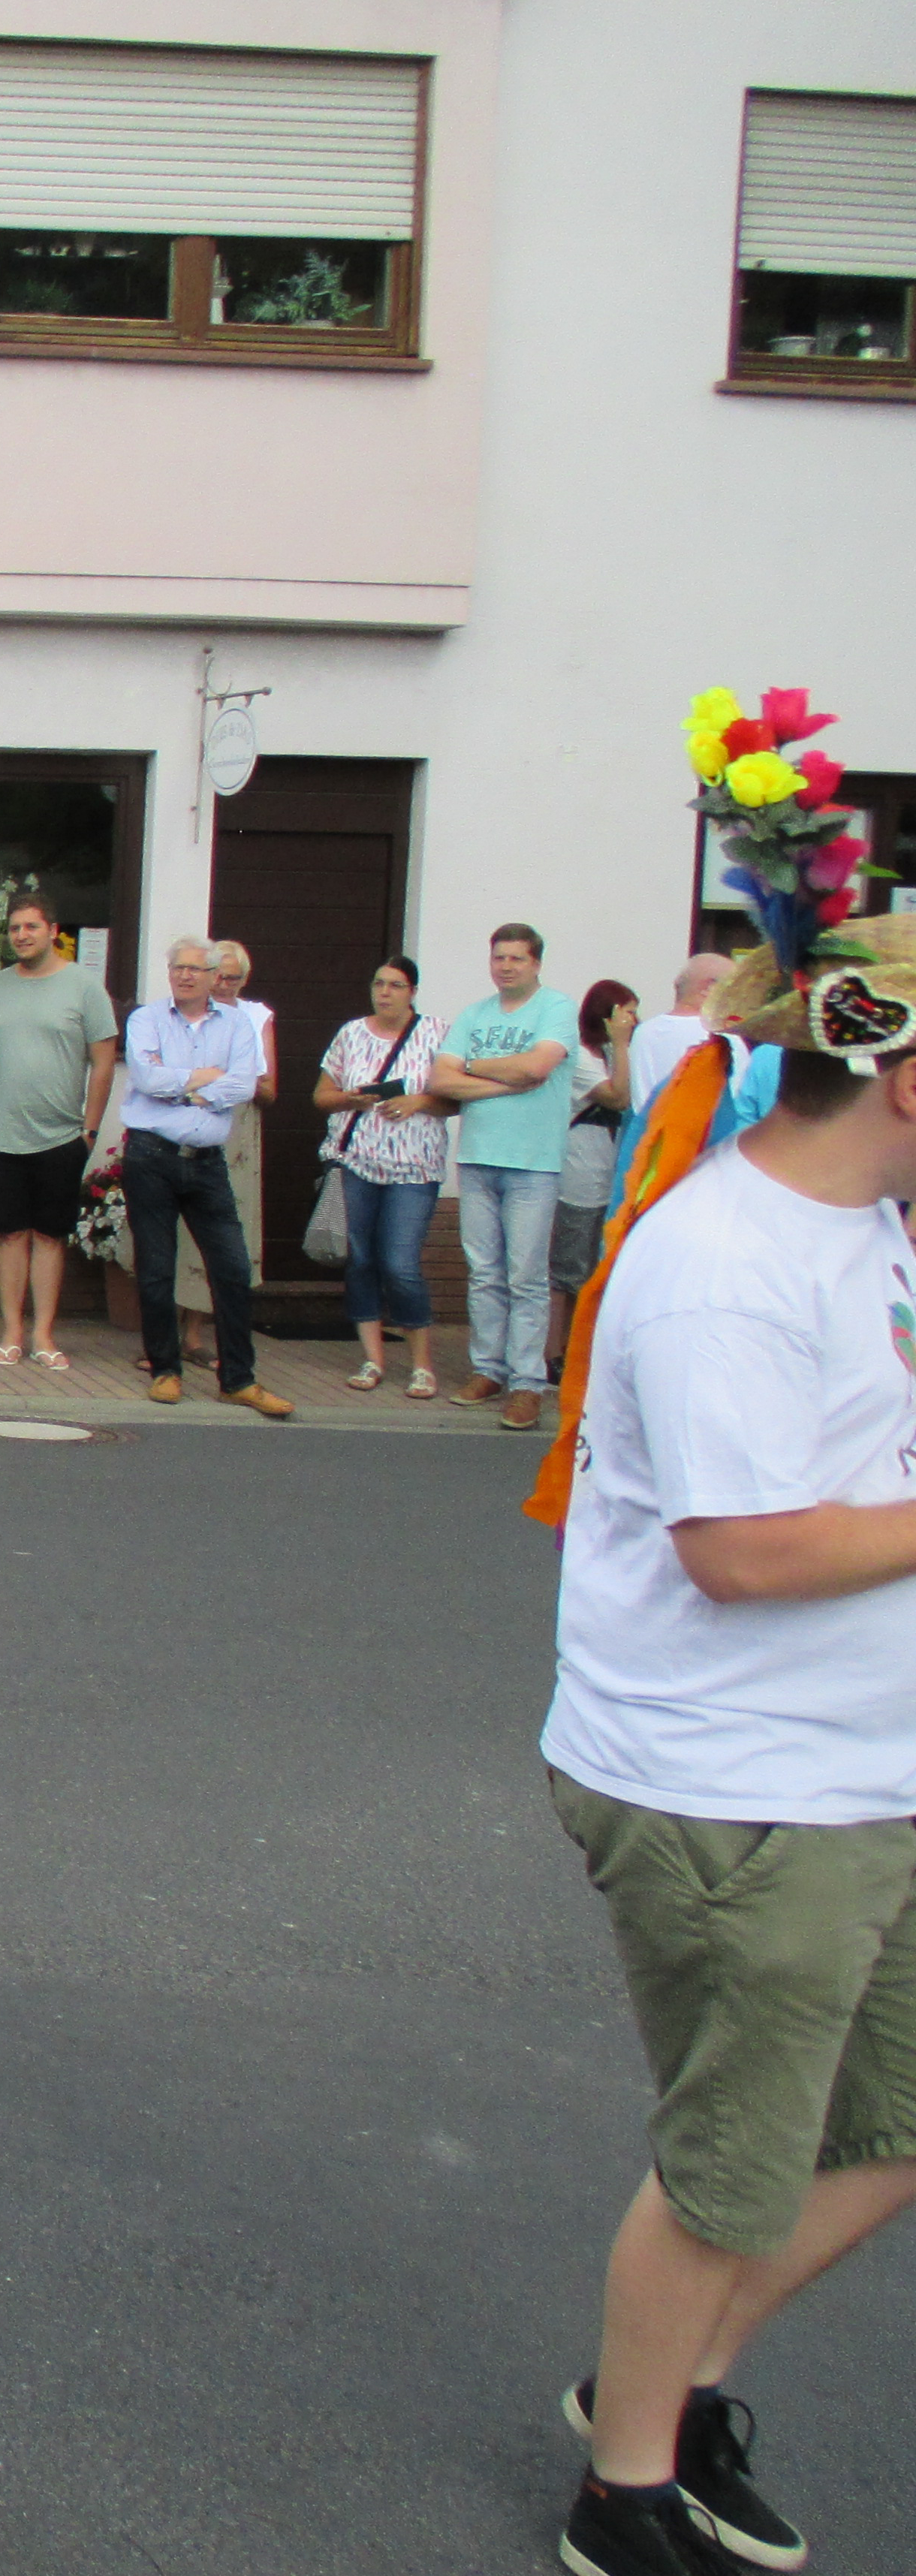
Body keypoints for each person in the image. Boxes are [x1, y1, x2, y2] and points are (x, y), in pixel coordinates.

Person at [532, 919, 916, 2576]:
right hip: (735, 1786)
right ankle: (623, 2492)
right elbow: (742, 1551)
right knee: (730, 2171)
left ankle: (662, 2385)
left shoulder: (868, 1228)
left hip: (858, 1768)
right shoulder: (723, 1266)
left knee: (884, 2135)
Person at [121, 939, 295, 1417]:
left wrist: (188, 1089)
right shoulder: (146, 1020)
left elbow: (245, 1085)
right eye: (177, 967)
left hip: (207, 1161)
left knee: (233, 1270)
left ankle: (238, 1380)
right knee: (157, 1269)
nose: (185, 976)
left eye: (196, 969)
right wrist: (206, 1077)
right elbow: (146, 1079)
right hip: (151, 1157)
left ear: (214, 975)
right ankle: (165, 1370)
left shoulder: (239, 1023)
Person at [433, 922, 583, 1431]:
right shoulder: (474, 1014)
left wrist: (474, 1071)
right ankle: (488, 1370)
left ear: (536, 963)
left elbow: (538, 1069)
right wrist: (504, 1079)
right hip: (477, 1157)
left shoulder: (557, 1009)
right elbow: (440, 1078)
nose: (506, 966)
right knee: (485, 1274)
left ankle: (527, 1383)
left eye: (517, 958)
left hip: (533, 1163)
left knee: (526, 1277)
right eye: (499, 958)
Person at [0, 890, 119, 1371]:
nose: (21, 936)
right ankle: (12, 1331)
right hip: (4, 1134)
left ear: (53, 931)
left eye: (31, 927)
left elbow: (103, 1062)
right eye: (15, 928)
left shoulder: (84, 986)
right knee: (11, 1235)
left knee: (50, 1236)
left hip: (62, 1135)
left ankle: (43, 1335)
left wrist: (90, 1131)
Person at [314, 956, 450, 1398]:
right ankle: (372, 1359)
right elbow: (321, 1097)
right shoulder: (351, 1034)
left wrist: (419, 1102)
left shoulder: (438, 1033)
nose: (385, 992)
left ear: (413, 991)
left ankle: (422, 1365)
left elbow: (457, 1101)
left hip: (415, 1167)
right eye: (378, 983)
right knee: (361, 1259)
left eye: (395, 984)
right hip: (356, 1162)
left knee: (401, 1262)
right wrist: (348, 1100)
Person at [172, 939, 278, 1366]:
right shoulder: (184, 1014)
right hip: (181, 1126)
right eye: (217, 975)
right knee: (175, 1227)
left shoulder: (256, 1017)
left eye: (233, 977)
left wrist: (226, 1080)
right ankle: (161, 1335)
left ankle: (197, 1334)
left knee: (218, 1227)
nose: (223, 984)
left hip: (233, 1134)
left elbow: (268, 1088)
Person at [549, 981, 641, 1375]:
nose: (635, 1020)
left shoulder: (606, 1053)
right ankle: (552, 1353)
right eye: (628, 1012)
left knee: (590, 1269)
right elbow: (618, 1097)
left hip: (605, 1175)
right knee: (567, 1268)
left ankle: (576, 1349)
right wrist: (622, 1045)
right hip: (578, 1175)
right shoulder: (584, 1058)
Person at [628, 952, 736, 1114]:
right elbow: (736, 1103)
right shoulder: (722, 1037)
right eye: (732, 987)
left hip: (648, 1135)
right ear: (709, 988)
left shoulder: (643, 1033)